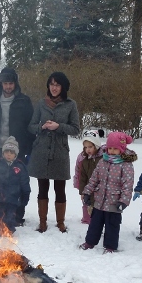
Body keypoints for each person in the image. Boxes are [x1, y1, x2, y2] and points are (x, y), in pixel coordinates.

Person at [0, 67, 35, 227]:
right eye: (5, 83)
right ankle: (0, 214)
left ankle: (17, 215)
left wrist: (29, 150)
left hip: (18, 149)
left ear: (15, 84)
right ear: (1, 84)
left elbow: (30, 127)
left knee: (17, 183)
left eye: (11, 83)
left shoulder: (24, 101)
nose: (8, 86)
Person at [27, 72, 80, 233]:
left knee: (60, 188)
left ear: (63, 87)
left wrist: (59, 126)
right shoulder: (42, 104)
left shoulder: (70, 104)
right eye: (51, 84)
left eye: (57, 84)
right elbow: (31, 126)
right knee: (42, 188)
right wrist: (42, 126)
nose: (54, 88)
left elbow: (76, 129)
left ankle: (60, 222)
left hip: (60, 152)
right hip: (41, 151)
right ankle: (42, 222)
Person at [79, 132, 136, 253]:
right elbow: (94, 179)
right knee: (95, 224)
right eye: (110, 148)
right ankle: (90, 242)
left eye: (115, 148)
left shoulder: (126, 165)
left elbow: (127, 184)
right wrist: (87, 192)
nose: (112, 151)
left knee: (112, 226)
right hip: (99, 200)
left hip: (114, 202)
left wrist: (123, 201)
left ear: (122, 148)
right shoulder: (103, 161)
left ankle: (110, 246)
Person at [0, 136, 30, 237]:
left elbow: (25, 182)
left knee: (10, 215)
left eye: (11, 152)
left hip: (13, 198)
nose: (9, 154)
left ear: (15, 154)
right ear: (3, 153)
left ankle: (9, 230)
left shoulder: (20, 166)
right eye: (7, 152)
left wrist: (25, 194)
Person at [76, 130, 104, 224]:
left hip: (100, 188)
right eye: (85, 147)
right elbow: (82, 177)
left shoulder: (103, 159)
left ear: (96, 145)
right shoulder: (85, 160)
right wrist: (82, 191)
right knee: (86, 203)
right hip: (88, 187)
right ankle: (86, 219)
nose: (88, 149)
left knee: (98, 205)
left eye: (90, 147)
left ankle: (98, 220)